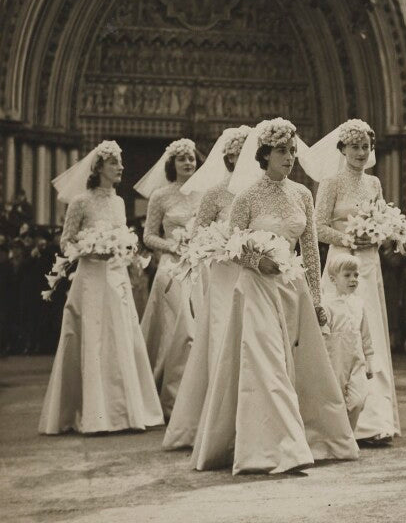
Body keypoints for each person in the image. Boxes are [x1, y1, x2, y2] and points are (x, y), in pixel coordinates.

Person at [191, 118, 357, 474]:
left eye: (293, 150)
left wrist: (316, 299)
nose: (290, 157)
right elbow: (228, 248)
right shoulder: (247, 196)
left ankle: (298, 438)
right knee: (265, 362)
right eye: (282, 151)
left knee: (294, 365)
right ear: (264, 155)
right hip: (255, 290)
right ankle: (279, 449)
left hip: (291, 289)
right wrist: (256, 259)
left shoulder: (303, 194)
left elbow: (311, 251)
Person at [39, 141, 163, 434]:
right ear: (99, 168)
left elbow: (122, 236)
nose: (121, 168)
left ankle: (123, 411)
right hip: (91, 277)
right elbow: (66, 240)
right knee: (93, 337)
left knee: (120, 337)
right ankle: (94, 414)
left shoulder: (119, 202)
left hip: (116, 276)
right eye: (114, 163)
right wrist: (90, 248)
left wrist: (126, 252)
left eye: (120, 163)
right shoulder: (81, 201)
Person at [307, 119, 400, 445]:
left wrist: (383, 233)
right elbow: (317, 228)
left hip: (368, 263)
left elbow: (382, 221)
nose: (361, 153)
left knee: (371, 330)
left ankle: (376, 421)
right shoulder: (330, 183)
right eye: (355, 146)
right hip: (341, 261)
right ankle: (344, 415)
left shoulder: (373, 184)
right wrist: (351, 237)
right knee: (344, 335)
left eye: (366, 147)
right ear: (343, 148)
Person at [163, 125, 250, 450]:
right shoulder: (214, 193)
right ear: (228, 157)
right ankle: (218, 421)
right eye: (237, 154)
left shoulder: (258, 190)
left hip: (251, 274)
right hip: (223, 276)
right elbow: (198, 235)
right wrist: (220, 242)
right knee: (220, 338)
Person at [136, 138, 202, 418]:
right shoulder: (160, 196)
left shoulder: (203, 193)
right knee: (180, 331)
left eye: (191, 158)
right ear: (171, 164)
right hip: (171, 268)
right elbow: (148, 235)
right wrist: (172, 246)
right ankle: (171, 400)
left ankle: (193, 399)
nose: (188, 162)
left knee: (197, 332)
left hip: (198, 267)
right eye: (182, 159)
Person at [320, 254, 375, 430]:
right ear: (333, 279)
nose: (353, 279)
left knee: (358, 400)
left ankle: (348, 435)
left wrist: (369, 360)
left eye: (356, 275)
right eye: (347, 275)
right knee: (335, 400)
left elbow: (365, 335)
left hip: (356, 358)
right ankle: (340, 439)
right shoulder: (326, 304)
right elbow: (322, 335)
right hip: (334, 357)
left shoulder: (358, 303)